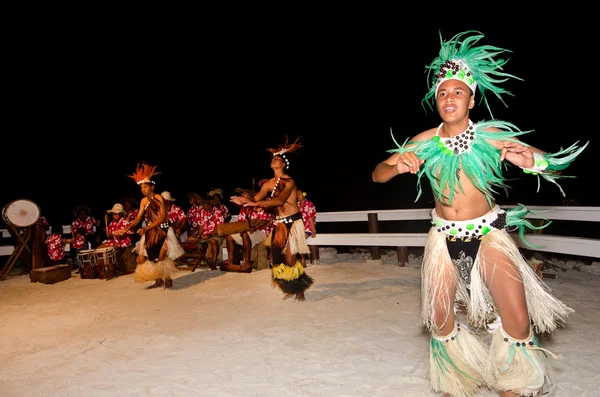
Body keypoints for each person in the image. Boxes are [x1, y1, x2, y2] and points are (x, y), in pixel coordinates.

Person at [371, 30, 588, 397]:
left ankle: (514, 386)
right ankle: (458, 380)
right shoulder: (424, 142)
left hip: (488, 236)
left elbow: (551, 164)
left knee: (516, 317)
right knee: (440, 322)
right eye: (442, 92)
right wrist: (396, 166)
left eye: (457, 92)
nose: (449, 98)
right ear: (436, 101)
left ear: (471, 99)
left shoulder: (491, 135)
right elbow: (377, 174)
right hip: (443, 239)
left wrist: (532, 161)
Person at [230, 136, 313, 301]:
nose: (274, 160)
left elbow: (280, 200)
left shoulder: (289, 181)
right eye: (273, 158)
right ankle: (289, 286)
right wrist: (245, 201)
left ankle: (299, 289)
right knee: (275, 260)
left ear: (283, 164)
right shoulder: (268, 184)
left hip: (292, 222)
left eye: (277, 159)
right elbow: (255, 199)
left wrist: (255, 203)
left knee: (290, 259)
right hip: (279, 224)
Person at [114, 163, 184, 289]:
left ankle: (167, 278)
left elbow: (162, 217)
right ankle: (158, 280)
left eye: (145, 187)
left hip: (162, 229)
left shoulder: (159, 198)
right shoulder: (143, 201)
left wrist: (147, 228)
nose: (143, 190)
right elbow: (137, 219)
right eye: (141, 188)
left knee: (161, 256)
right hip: (150, 231)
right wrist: (126, 229)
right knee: (142, 258)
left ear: (152, 187)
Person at [220, 187, 273, 273]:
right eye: (241, 197)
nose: (242, 199)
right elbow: (241, 223)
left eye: (244, 197)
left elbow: (266, 222)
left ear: (250, 198)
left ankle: (247, 261)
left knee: (245, 234)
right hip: (248, 232)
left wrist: (255, 228)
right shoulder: (243, 209)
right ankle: (230, 260)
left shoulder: (259, 207)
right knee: (229, 237)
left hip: (262, 232)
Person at [296, 186, 317, 267]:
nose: (298, 196)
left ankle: (303, 260)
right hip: (298, 228)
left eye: (299, 194)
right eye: (296, 195)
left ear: (304, 194)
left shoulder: (309, 204)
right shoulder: (296, 205)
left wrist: (314, 231)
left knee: (300, 238)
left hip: (307, 228)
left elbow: (311, 219)